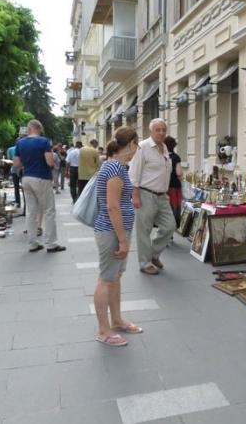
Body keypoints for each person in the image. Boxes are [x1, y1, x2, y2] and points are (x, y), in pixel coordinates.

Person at [93, 128, 143, 346]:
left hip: (117, 230)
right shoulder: (114, 168)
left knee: (115, 277)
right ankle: (103, 331)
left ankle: (117, 320)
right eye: (137, 144)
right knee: (106, 278)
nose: (137, 149)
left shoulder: (118, 166)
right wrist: (122, 240)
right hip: (111, 231)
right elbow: (112, 207)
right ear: (130, 144)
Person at [129, 118, 176, 275]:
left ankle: (153, 255)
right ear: (150, 131)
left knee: (170, 226)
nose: (161, 132)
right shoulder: (142, 147)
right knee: (144, 231)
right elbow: (133, 173)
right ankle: (145, 263)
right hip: (145, 194)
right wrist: (135, 195)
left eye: (164, 130)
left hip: (162, 196)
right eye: (158, 130)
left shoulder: (164, 148)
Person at [13, 119, 66, 253]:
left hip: (26, 178)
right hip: (41, 177)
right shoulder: (43, 141)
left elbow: (16, 164)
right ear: (39, 129)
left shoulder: (20, 143)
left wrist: (28, 162)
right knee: (49, 210)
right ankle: (51, 244)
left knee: (31, 212)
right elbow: (50, 162)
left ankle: (33, 244)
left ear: (29, 129)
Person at [164, 136, 183, 226]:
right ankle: (173, 225)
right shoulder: (175, 157)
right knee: (174, 206)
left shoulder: (162, 156)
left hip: (163, 186)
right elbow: (179, 173)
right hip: (174, 186)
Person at [7, 139, 22, 208]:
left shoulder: (10, 149)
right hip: (22, 170)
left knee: (16, 187)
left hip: (14, 169)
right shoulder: (24, 148)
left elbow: (9, 159)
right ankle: (26, 204)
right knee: (25, 188)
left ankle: (18, 202)